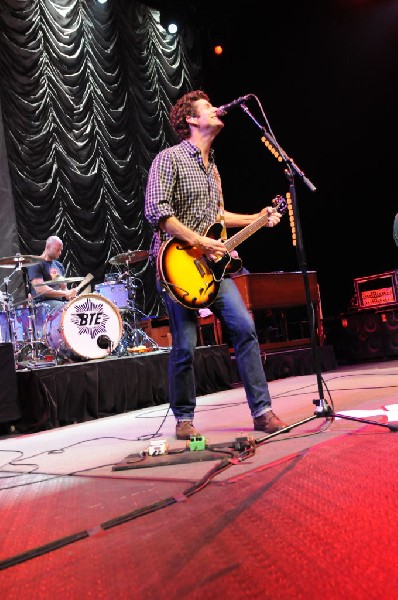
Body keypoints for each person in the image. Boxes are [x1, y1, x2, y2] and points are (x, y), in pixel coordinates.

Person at [145, 89, 289, 440]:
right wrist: (197, 240)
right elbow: (158, 212)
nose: (216, 109)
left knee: (244, 328)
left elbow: (218, 217)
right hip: (177, 265)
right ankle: (183, 417)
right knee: (186, 343)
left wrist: (257, 217)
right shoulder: (169, 159)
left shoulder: (214, 170)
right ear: (191, 119)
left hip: (212, 267)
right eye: (208, 107)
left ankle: (262, 411)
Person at [27, 235, 78, 312]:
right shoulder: (36, 263)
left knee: (78, 306)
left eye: (61, 250)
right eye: (58, 250)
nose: (60, 253)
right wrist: (65, 293)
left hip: (58, 303)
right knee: (69, 310)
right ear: (48, 247)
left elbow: (64, 288)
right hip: (42, 305)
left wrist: (70, 295)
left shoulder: (59, 265)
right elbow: (40, 290)